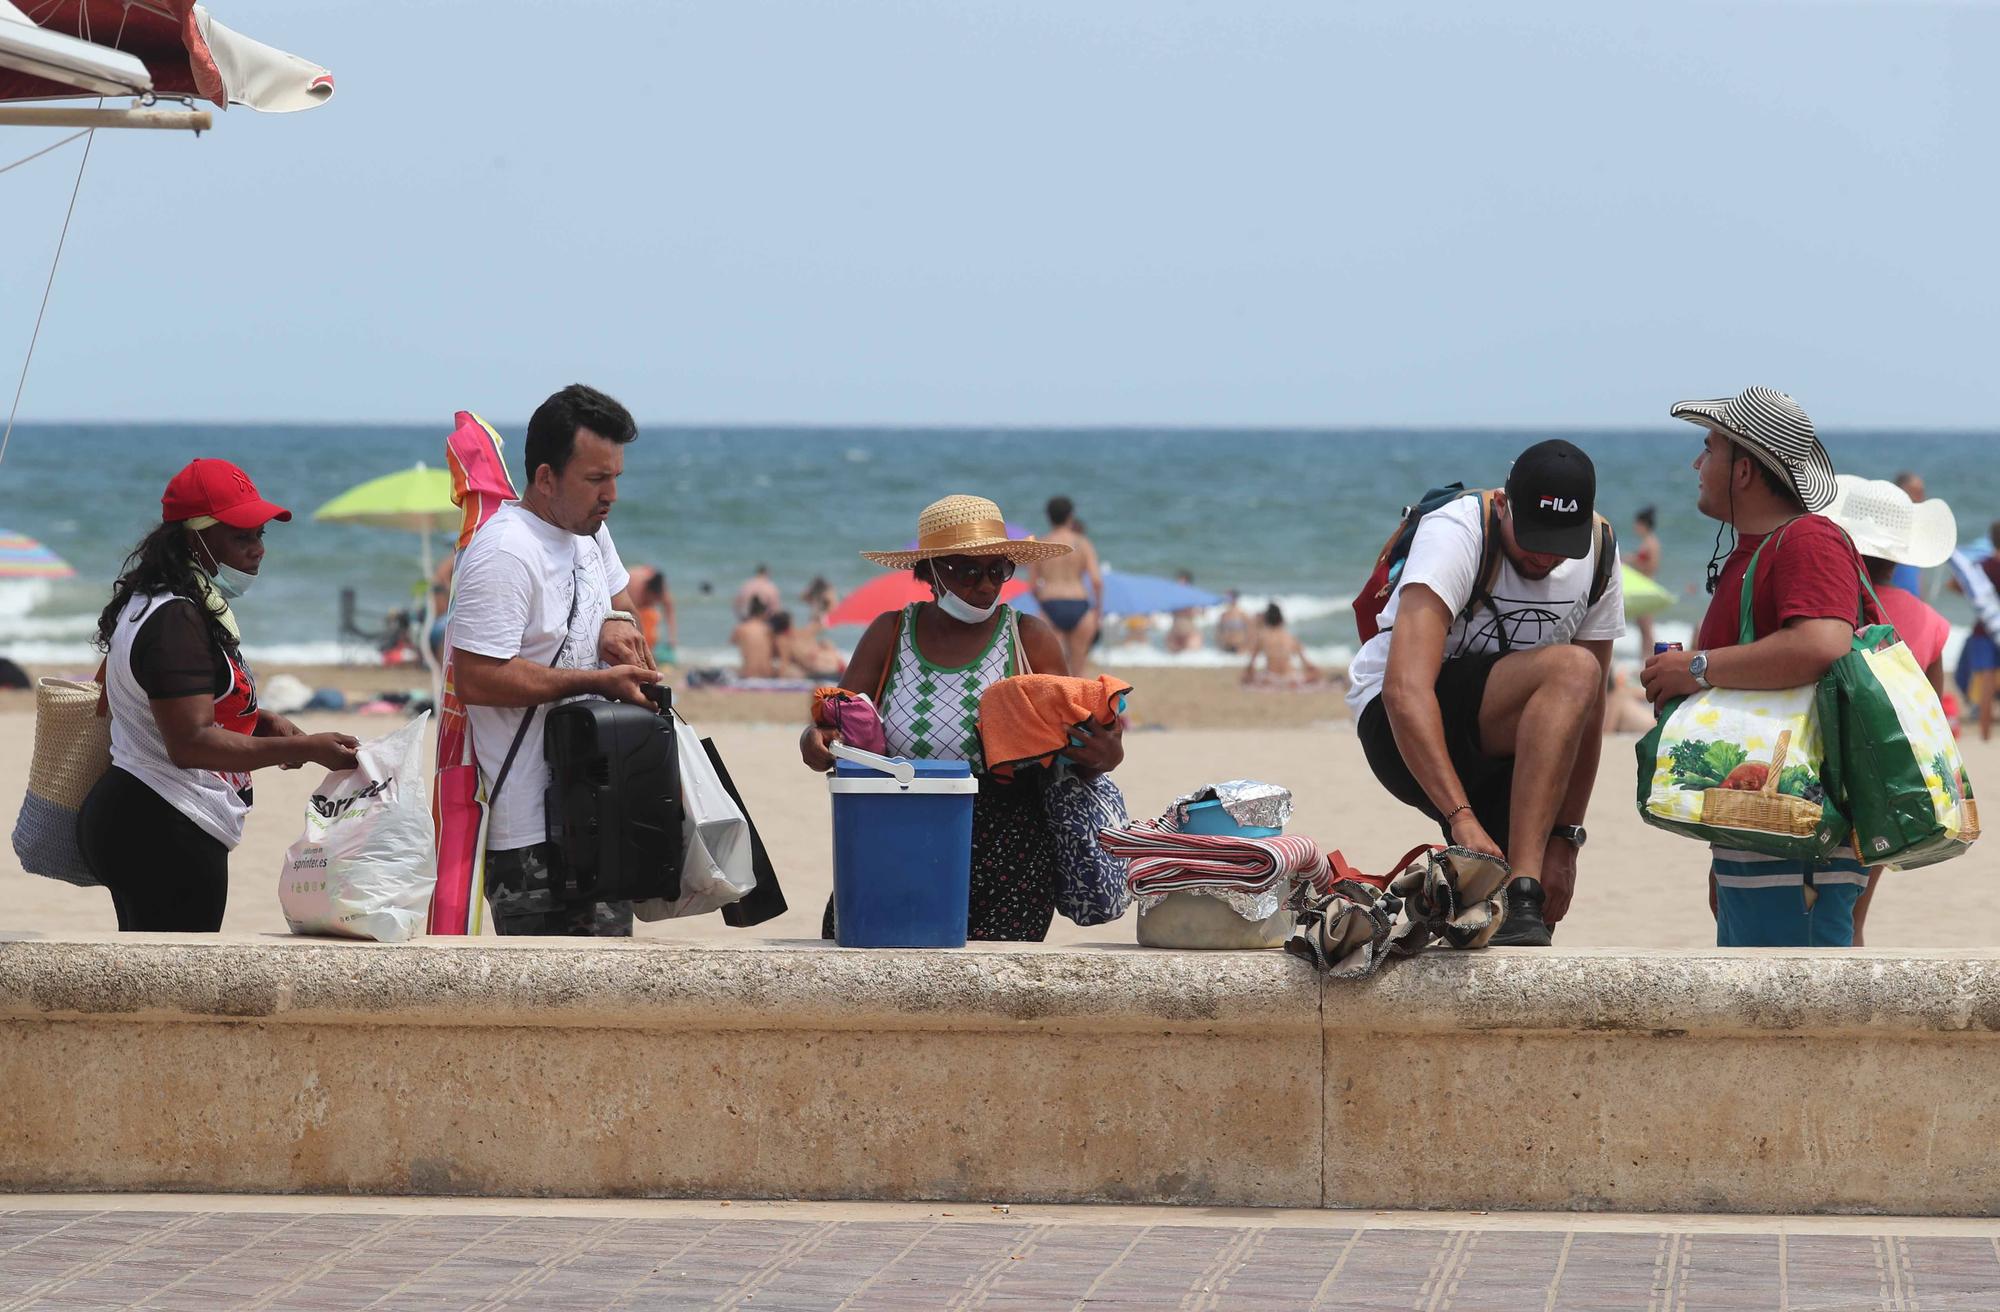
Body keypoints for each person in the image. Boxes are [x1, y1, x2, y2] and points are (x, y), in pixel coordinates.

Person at [800, 494, 1122, 940]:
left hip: (1011, 858)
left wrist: (1105, 751)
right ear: (930, 570)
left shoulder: (1030, 638)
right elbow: (838, 727)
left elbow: (1084, 744)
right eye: (968, 571)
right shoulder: (889, 634)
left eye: (999, 570)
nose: (987, 585)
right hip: (897, 839)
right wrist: (813, 742)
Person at [1347, 439, 1624, 948]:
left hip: (1510, 741)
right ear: (1502, 505)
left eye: (1561, 541)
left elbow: (1589, 710)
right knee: (1571, 665)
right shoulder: (1456, 532)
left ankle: (1512, 898)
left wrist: (1566, 841)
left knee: (1513, 920)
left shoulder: (1601, 547)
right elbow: (1404, 690)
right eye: (1533, 538)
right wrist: (1462, 820)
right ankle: (1505, 876)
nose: (1545, 555)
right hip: (1400, 723)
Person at [80, 459, 361, 931]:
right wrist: (305, 749)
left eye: (261, 536)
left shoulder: (153, 600)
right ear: (195, 538)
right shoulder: (177, 620)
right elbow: (189, 743)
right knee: (177, 994)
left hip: (136, 817)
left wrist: (257, 718)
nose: (258, 550)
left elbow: (137, 699)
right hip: (162, 827)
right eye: (242, 536)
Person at [1641, 387, 1867, 948]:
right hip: (1767, 835)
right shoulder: (1759, 549)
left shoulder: (1808, 540)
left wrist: (1696, 667)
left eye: (1709, 448)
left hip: (1801, 843)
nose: (1698, 463)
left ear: (1744, 469)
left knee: (1800, 1022)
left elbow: (1822, 644)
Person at [449, 384, 661, 937]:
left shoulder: (590, 530)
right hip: (530, 833)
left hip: (602, 807)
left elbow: (620, 601)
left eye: (616, 476)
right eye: (596, 479)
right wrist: (597, 682)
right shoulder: (504, 552)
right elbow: (476, 677)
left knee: (612, 1003)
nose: (611, 493)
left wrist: (621, 624)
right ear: (546, 478)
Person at [1820, 475, 1958, 946]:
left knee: (1808, 899)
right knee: (1855, 912)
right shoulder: (1932, 622)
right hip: (1886, 783)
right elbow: (1932, 715)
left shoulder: (1833, 610)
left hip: (1826, 771)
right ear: (1901, 556)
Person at [1028, 496, 1103, 673]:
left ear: (1048, 517)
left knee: (1052, 670)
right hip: (1079, 603)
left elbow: (1032, 586)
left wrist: (1043, 604)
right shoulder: (1083, 543)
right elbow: (1097, 582)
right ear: (1071, 515)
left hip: (1050, 603)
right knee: (1078, 669)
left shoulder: (1041, 544)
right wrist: (1097, 612)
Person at [1242, 603, 1320, 687]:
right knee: (1314, 674)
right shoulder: (1290, 637)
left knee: (1247, 677)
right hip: (1290, 677)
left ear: (1267, 620)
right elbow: (1306, 663)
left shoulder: (1262, 637)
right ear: (1282, 620)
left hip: (1270, 677)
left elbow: (1251, 664)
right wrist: (1314, 671)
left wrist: (1248, 674)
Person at [625, 564, 678, 665]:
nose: (653, 603)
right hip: (628, 591)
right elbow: (629, 615)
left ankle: (648, 652)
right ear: (647, 592)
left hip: (648, 580)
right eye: (652, 600)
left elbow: (670, 612)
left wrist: (672, 638)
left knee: (652, 622)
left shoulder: (662, 591)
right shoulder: (635, 589)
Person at [1629, 506, 1662, 655]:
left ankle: (1649, 658)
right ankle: (1644, 658)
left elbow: (1652, 566)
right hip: (1643, 587)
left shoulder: (1651, 543)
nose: (1635, 527)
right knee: (1643, 626)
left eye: (1637, 524)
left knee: (1646, 627)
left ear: (1643, 524)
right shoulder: (1647, 542)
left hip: (1647, 587)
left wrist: (1634, 563)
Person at [1889, 472, 1927, 595]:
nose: (1920, 498)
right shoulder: (1888, 530)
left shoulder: (1915, 531)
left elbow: (1917, 577)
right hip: (1890, 602)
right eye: (1915, 493)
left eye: (1921, 493)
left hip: (1911, 603)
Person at [731, 597, 779, 678]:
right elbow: (775, 652)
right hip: (767, 673)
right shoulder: (768, 629)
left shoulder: (741, 628)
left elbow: (733, 642)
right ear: (763, 613)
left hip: (748, 673)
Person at [1165, 570, 1204, 654]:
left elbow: (1202, 612)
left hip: (1189, 631)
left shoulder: (1193, 596)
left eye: (1182, 581)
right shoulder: (1172, 596)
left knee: (1191, 656)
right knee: (1171, 656)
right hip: (1175, 630)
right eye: (1178, 581)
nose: (1179, 584)